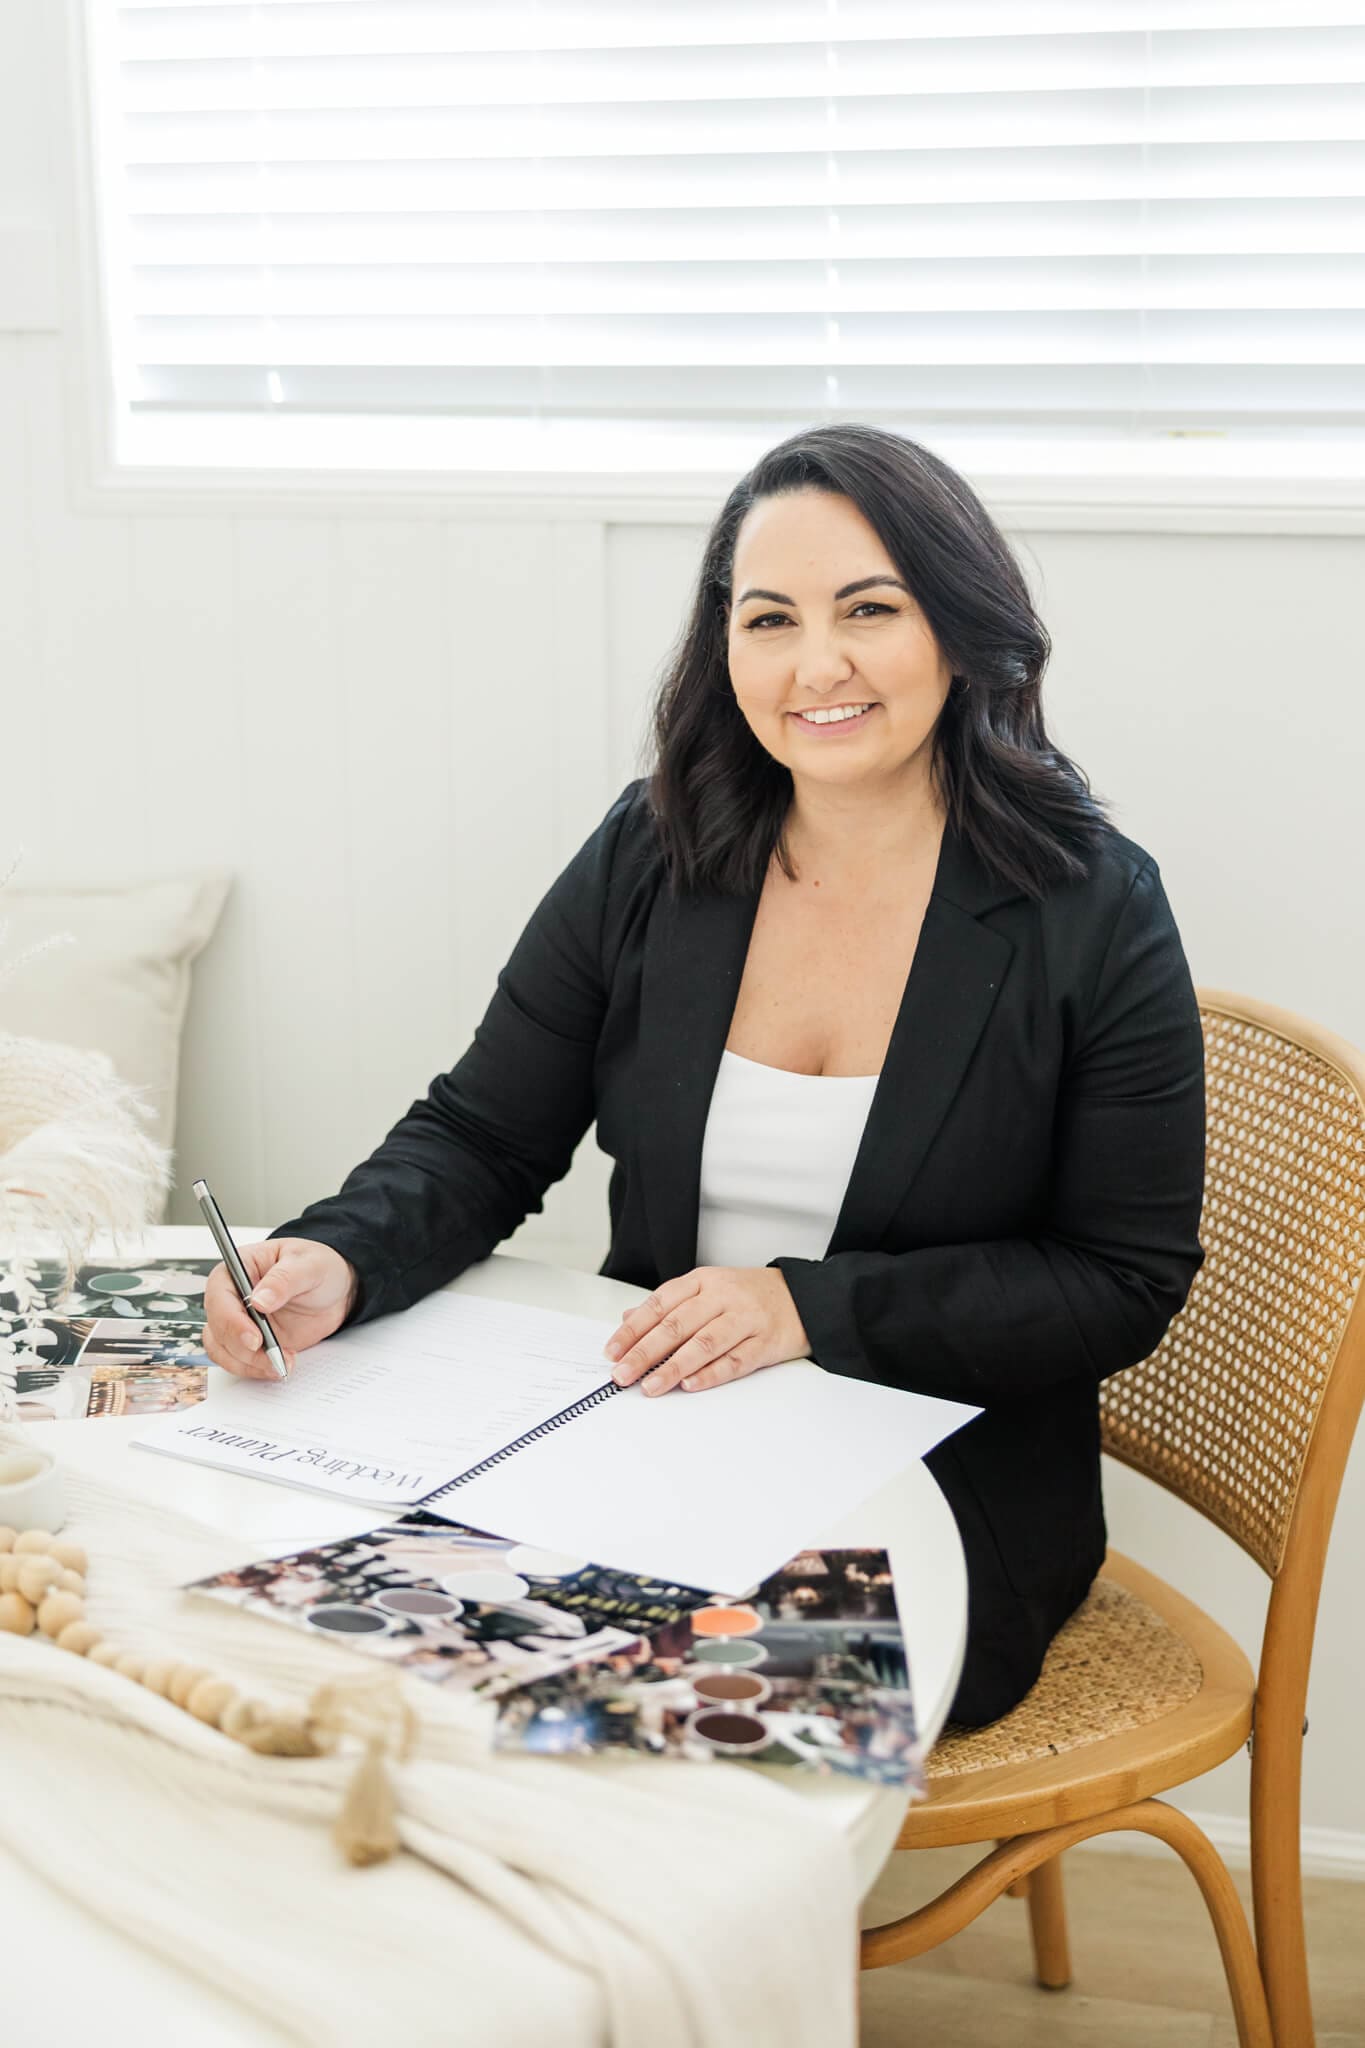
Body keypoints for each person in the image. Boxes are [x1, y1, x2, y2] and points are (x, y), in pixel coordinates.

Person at [200, 423, 1205, 1727]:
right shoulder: (653, 852)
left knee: (612, 1724)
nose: (816, 664)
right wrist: (338, 1256)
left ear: (956, 632)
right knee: (342, 1655)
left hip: (944, 1500)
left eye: (869, 610)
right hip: (650, 1440)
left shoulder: (1091, 908)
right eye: (767, 619)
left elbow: (1117, 1279)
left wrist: (806, 1311)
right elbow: (483, 1133)